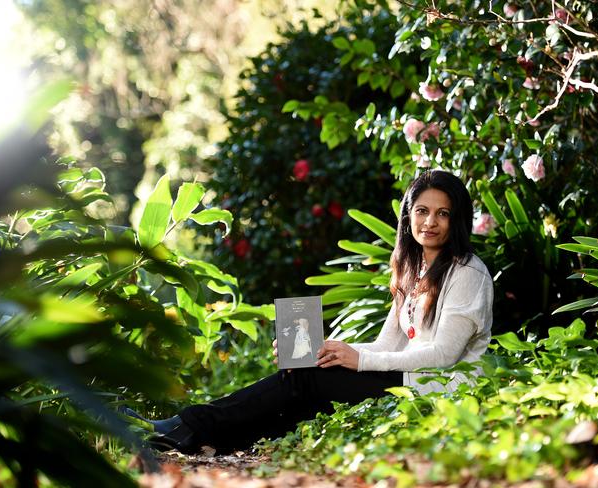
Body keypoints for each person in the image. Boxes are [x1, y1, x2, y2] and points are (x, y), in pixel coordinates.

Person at [130, 169, 493, 455]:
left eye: (442, 213)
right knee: (304, 369)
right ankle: (201, 437)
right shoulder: (413, 270)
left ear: (456, 219)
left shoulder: (467, 272)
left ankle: (187, 428)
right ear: (408, 216)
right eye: (422, 211)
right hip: (408, 379)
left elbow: (444, 355)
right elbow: (387, 343)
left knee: (309, 380)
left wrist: (357, 361)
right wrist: (331, 350)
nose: (430, 222)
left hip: (441, 389)